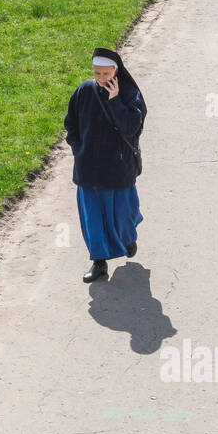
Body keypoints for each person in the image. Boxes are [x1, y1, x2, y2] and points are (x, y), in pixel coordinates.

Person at [63, 46, 147, 282]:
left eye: (106, 74)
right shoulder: (84, 91)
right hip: (88, 170)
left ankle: (128, 237)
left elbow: (131, 128)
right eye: (97, 73)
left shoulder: (130, 95)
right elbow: (71, 124)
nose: (101, 79)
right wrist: (78, 150)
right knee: (93, 219)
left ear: (116, 72)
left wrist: (115, 100)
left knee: (123, 215)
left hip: (118, 169)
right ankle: (99, 262)